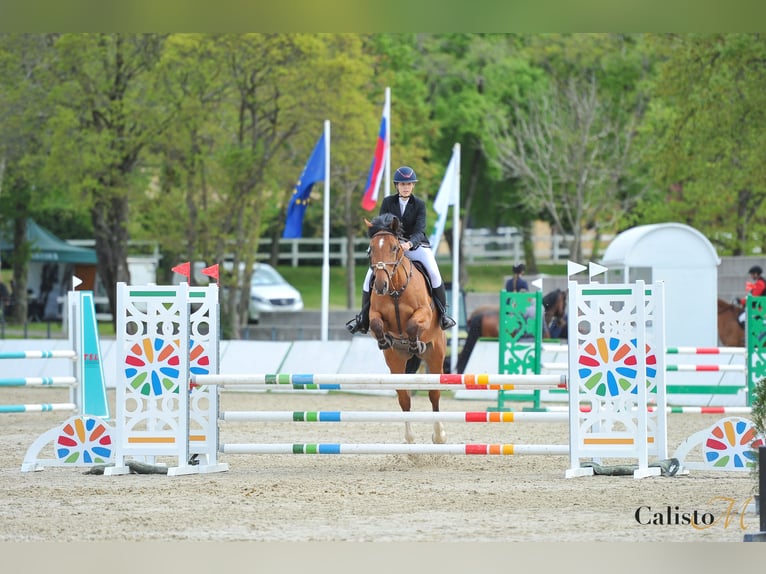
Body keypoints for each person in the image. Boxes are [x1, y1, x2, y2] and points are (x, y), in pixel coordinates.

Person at [346, 165, 457, 334]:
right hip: (392, 248)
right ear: (396, 186)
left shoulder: (419, 204)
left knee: (434, 273)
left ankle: (443, 315)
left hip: (416, 246)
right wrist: (393, 243)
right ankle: (362, 318)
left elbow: (420, 230)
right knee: (370, 276)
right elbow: (382, 225)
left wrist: (409, 244)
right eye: (402, 184)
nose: (406, 187)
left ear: (413, 186)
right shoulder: (388, 202)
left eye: (409, 184)